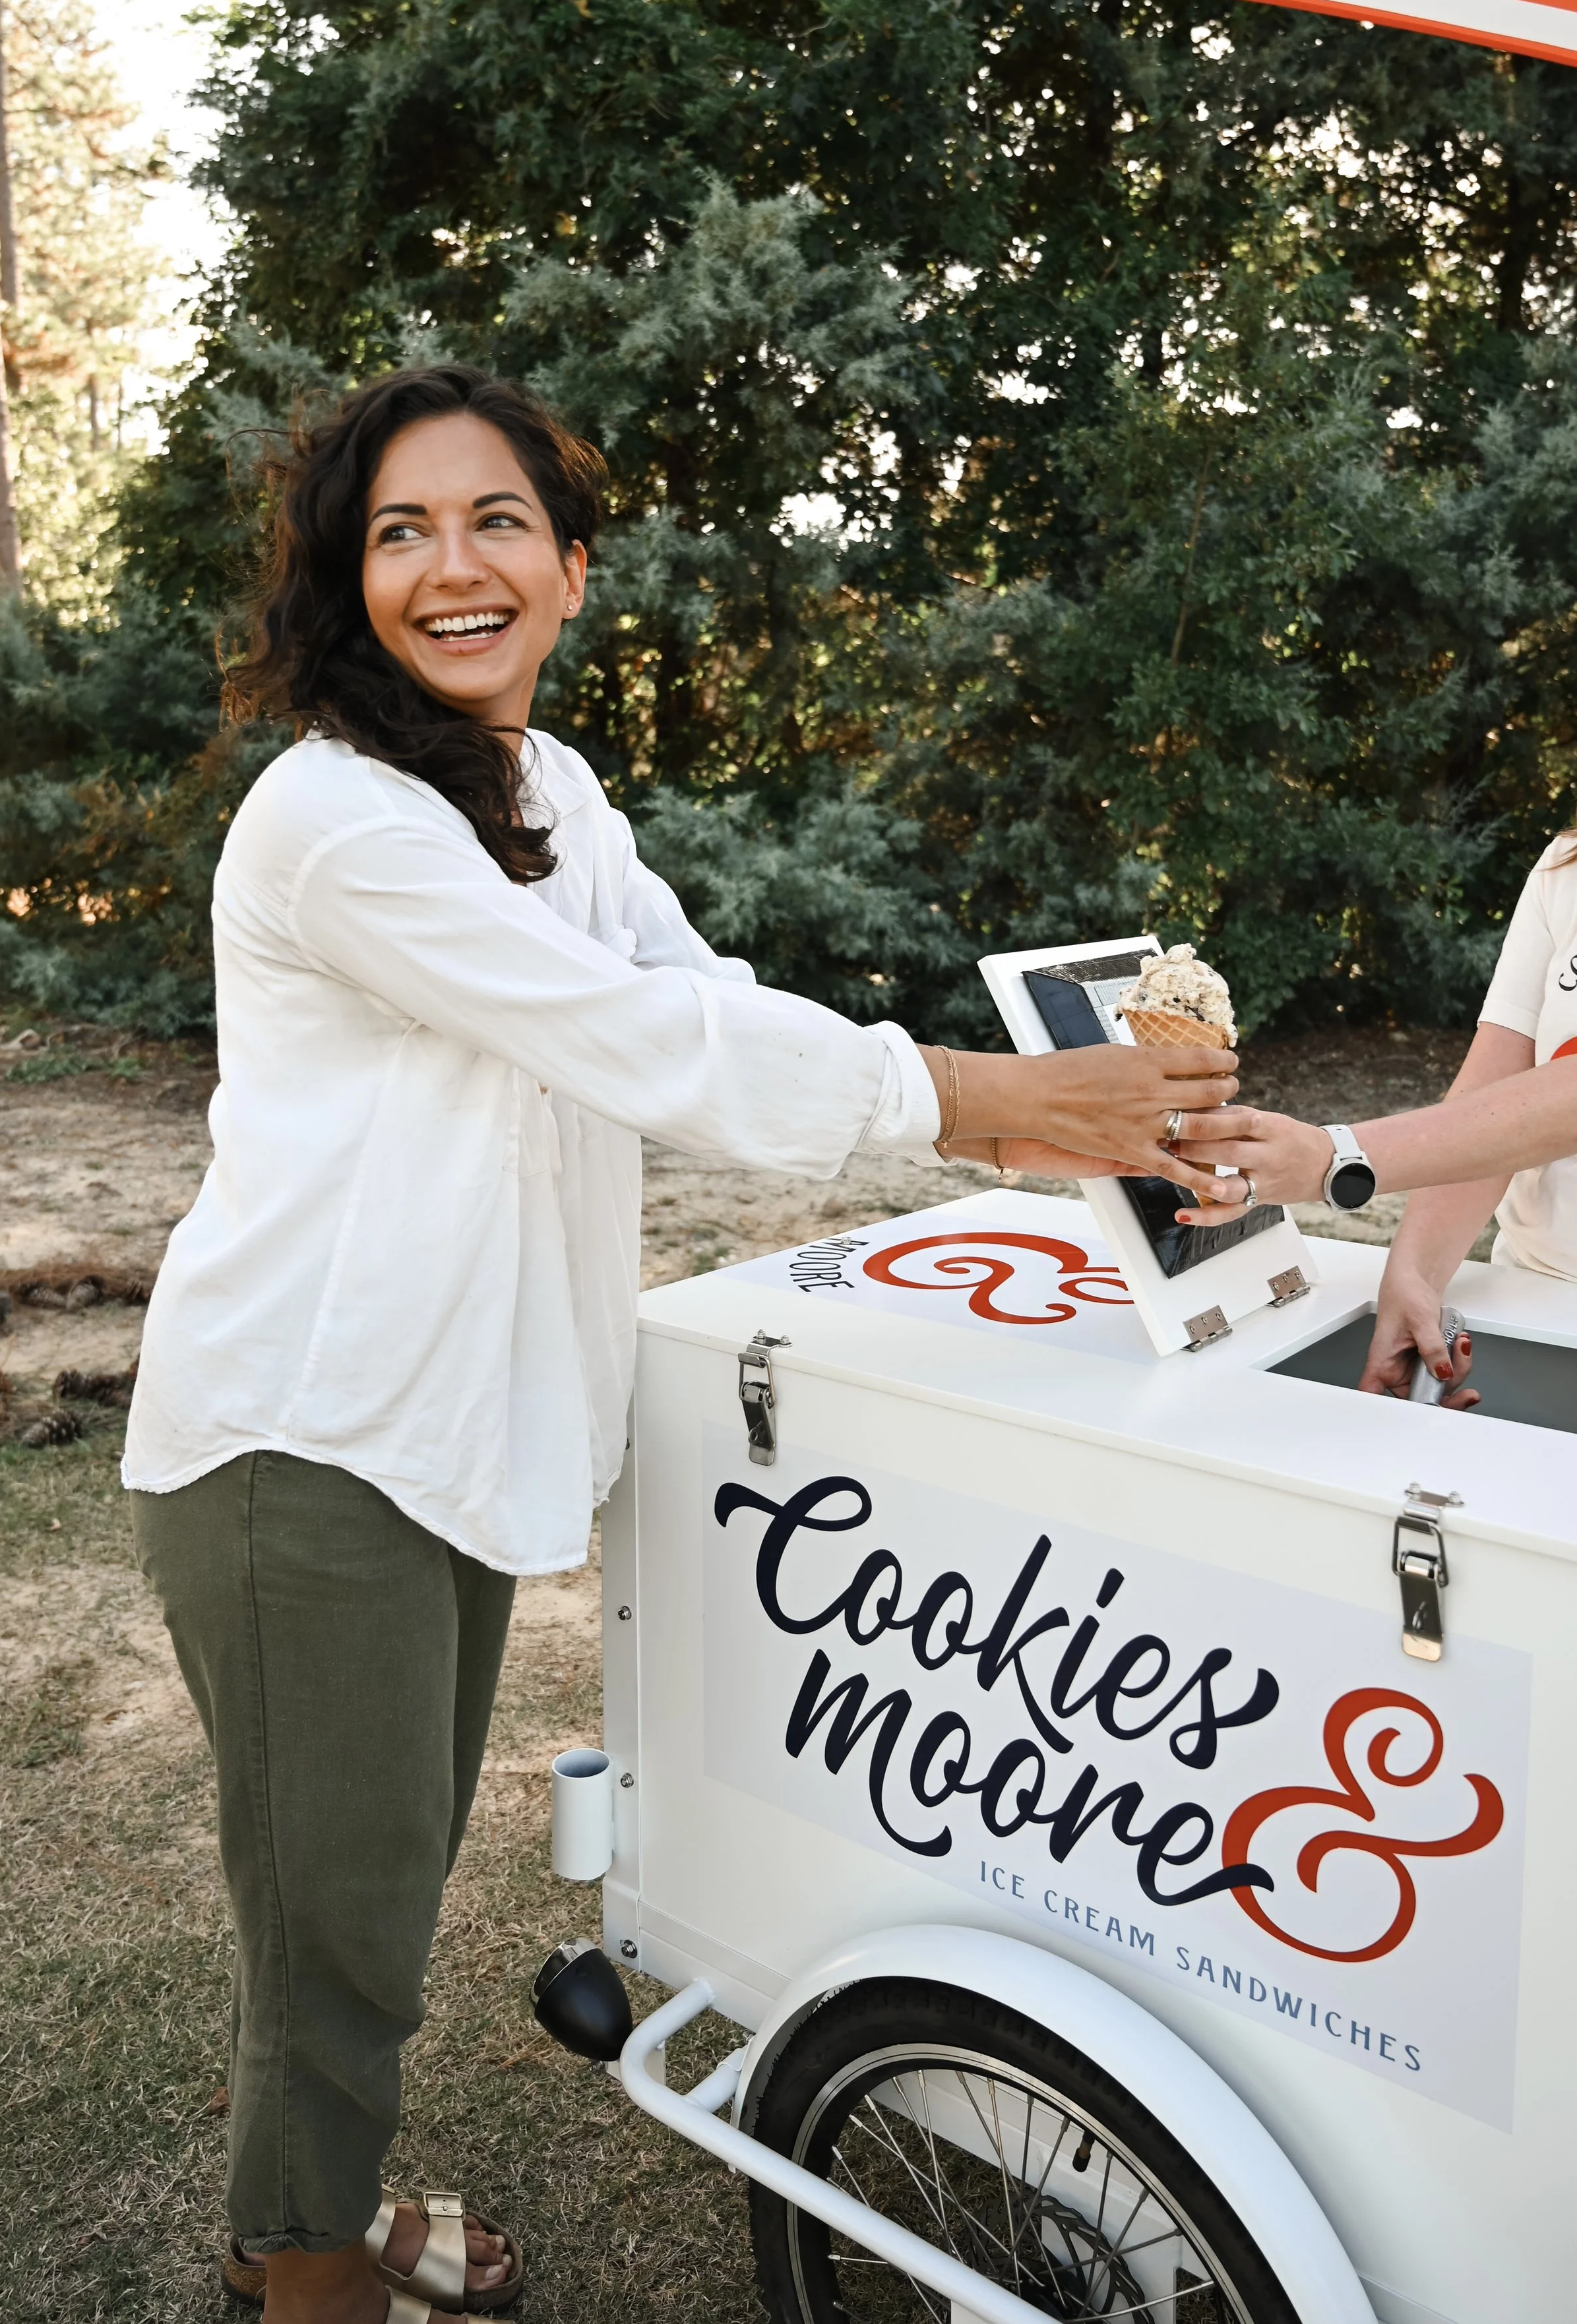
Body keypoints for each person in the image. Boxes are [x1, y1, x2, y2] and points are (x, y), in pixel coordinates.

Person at [124, 364, 1244, 2324]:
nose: (448, 566)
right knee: (342, 1935)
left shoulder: (549, 794)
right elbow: (639, 1047)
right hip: (299, 1447)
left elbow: (697, 1000)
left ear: (567, 568)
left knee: (347, 1903)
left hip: (438, 1429)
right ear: (342, 579)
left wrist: (1023, 1123)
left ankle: (313, 2201)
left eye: (492, 523)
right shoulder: (335, 821)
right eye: (396, 531)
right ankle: (303, 2271)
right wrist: (988, 1102)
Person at [1172, 836, 1577, 1405]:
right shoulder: (1566, 863)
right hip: (1534, 1293)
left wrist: (1336, 1158)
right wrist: (1415, 1272)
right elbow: (1494, 1090)